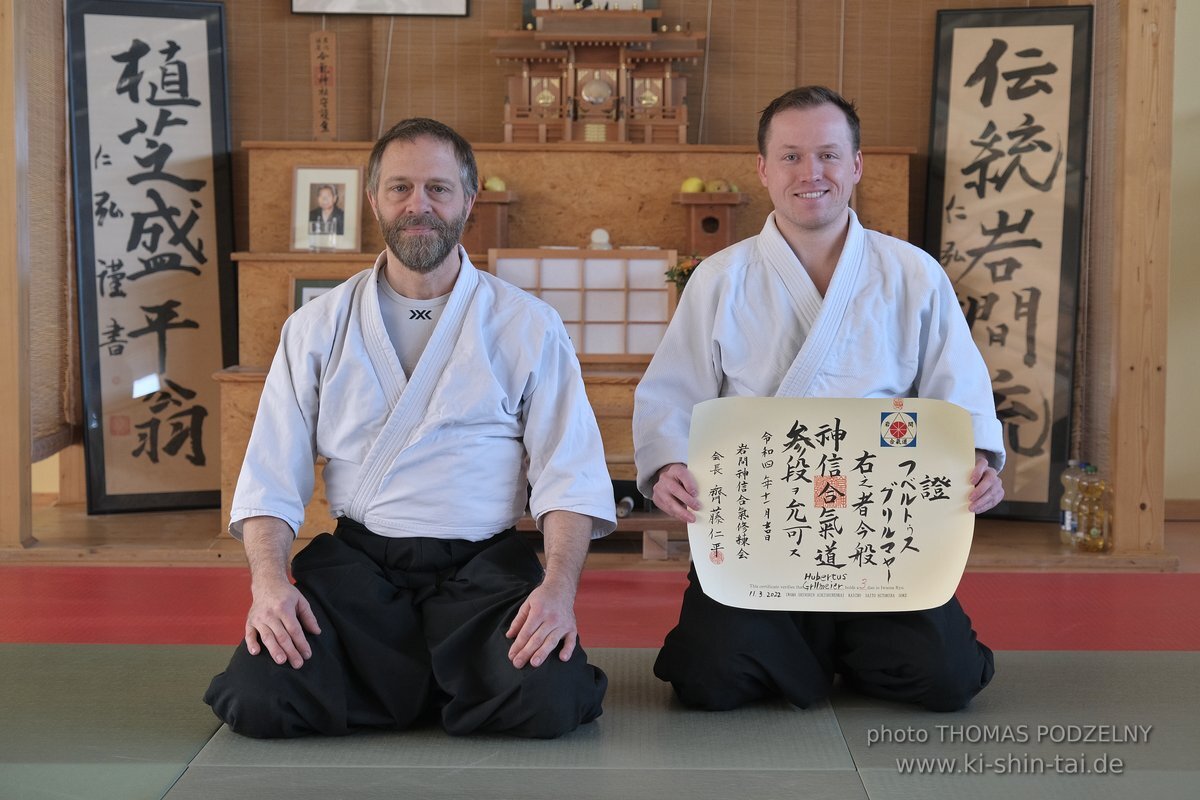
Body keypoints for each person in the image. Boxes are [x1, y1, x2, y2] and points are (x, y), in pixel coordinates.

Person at [205, 118, 615, 740]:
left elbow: (570, 476)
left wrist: (557, 591)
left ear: (469, 199)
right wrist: (268, 586)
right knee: (258, 696)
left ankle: (415, 687)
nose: (418, 205)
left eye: (438, 188)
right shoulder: (317, 326)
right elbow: (270, 474)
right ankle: (449, 689)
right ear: (372, 200)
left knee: (549, 698)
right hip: (361, 573)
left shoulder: (528, 324)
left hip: (485, 575)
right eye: (399, 188)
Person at [633, 86, 1005, 714]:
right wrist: (669, 464)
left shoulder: (913, 275)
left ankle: (833, 644)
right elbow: (676, 391)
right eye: (791, 156)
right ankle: (827, 646)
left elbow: (956, 395)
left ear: (857, 165)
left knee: (946, 679)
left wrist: (978, 463)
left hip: (880, 534)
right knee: (707, 680)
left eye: (830, 155)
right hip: (763, 533)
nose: (812, 174)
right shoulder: (720, 279)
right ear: (763, 168)